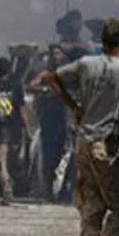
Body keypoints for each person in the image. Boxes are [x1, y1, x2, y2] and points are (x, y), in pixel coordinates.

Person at [45, 19, 119, 236]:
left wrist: (73, 107)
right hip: (109, 145)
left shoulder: (86, 64)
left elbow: (51, 78)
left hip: (84, 143)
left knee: (91, 209)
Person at [29, 44, 70, 203]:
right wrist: (46, 90)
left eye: (58, 53)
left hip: (66, 119)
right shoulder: (46, 74)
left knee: (67, 156)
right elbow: (31, 86)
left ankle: (65, 191)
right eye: (53, 54)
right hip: (50, 119)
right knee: (49, 156)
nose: (56, 57)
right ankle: (48, 190)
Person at [0, 56, 31, 205]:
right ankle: (11, 186)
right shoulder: (16, 85)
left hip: (0, 127)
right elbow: (21, 108)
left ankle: (7, 188)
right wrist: (27, 128)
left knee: (2, 161)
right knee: (13, 160)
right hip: (15, 127)